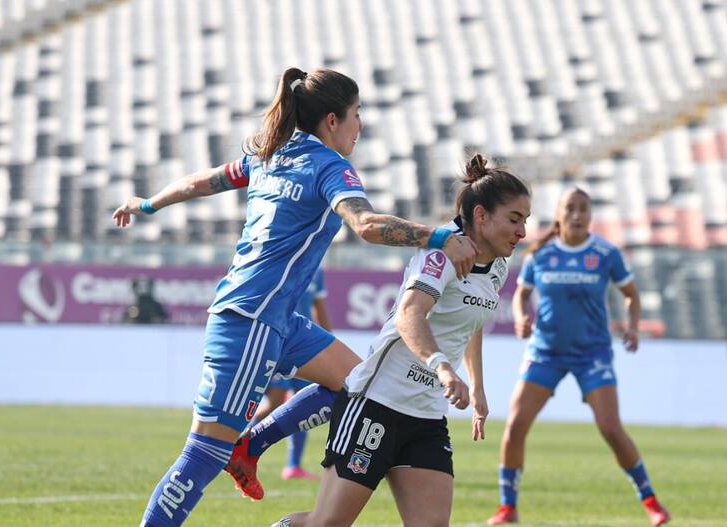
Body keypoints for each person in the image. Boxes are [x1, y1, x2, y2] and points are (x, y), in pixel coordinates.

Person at [112, 67, 478, 527]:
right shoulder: (329, 166)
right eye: (356, 115)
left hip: (278, 318)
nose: (360, 126)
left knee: (357, 385)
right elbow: (365, 226)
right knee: (204, 452)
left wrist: (148, 204)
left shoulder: (270, 154)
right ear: (331, 120)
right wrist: (439, 236)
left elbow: (201, 181)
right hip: (250, 319)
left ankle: (252, 446)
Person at [271, 154, 531, 527]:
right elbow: (410, 315)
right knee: (326, 524)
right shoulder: (440, 255)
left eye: (525, 222)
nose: (522, 232)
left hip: (425, 415)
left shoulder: (499, 268)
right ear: (481, 216)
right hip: (377, 403)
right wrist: (442, 369)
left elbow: (470, 322)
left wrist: (477, 387)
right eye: (514, 220)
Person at [486, 188, 671, 527]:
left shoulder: (605, 253)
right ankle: (507, 507)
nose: (577, 214)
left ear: (591, 214)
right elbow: (522, 294)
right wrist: (519, 316)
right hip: (546, 352)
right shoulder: (539, 254)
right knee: (514, 427)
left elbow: (631, 294)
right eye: (570, 208)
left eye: (583, 208)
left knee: (612, 429)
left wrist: (631, 326)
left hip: (592, 353)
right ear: (558, 213)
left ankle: (651, 501)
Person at [250, 267, 332, 481]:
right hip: (276, 342)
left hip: (304, 348)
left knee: (304, 405)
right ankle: (242, 443)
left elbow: (319, 307)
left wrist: (331, 343)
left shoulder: (317, 271)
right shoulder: (284, 261)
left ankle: (293, 466)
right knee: (277, 397)